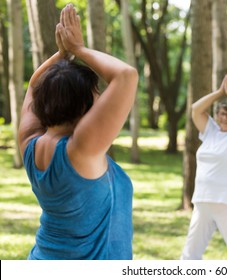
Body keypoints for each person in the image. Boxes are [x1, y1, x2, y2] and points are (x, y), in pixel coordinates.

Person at [18, 4, 138, 260]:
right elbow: (126, 76)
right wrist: (77, 50)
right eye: (97, 94)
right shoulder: (81, 150)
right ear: (82, 106)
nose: (101, 100)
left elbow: (33, 85)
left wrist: (62, 54)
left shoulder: (29, 143)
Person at [181, 73, 227, 260]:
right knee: (190, 254)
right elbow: (195, 109)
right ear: (216, 115)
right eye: (222, 113)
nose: (225, 117)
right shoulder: (211, 132)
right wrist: (219, 92)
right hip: (203, 200)